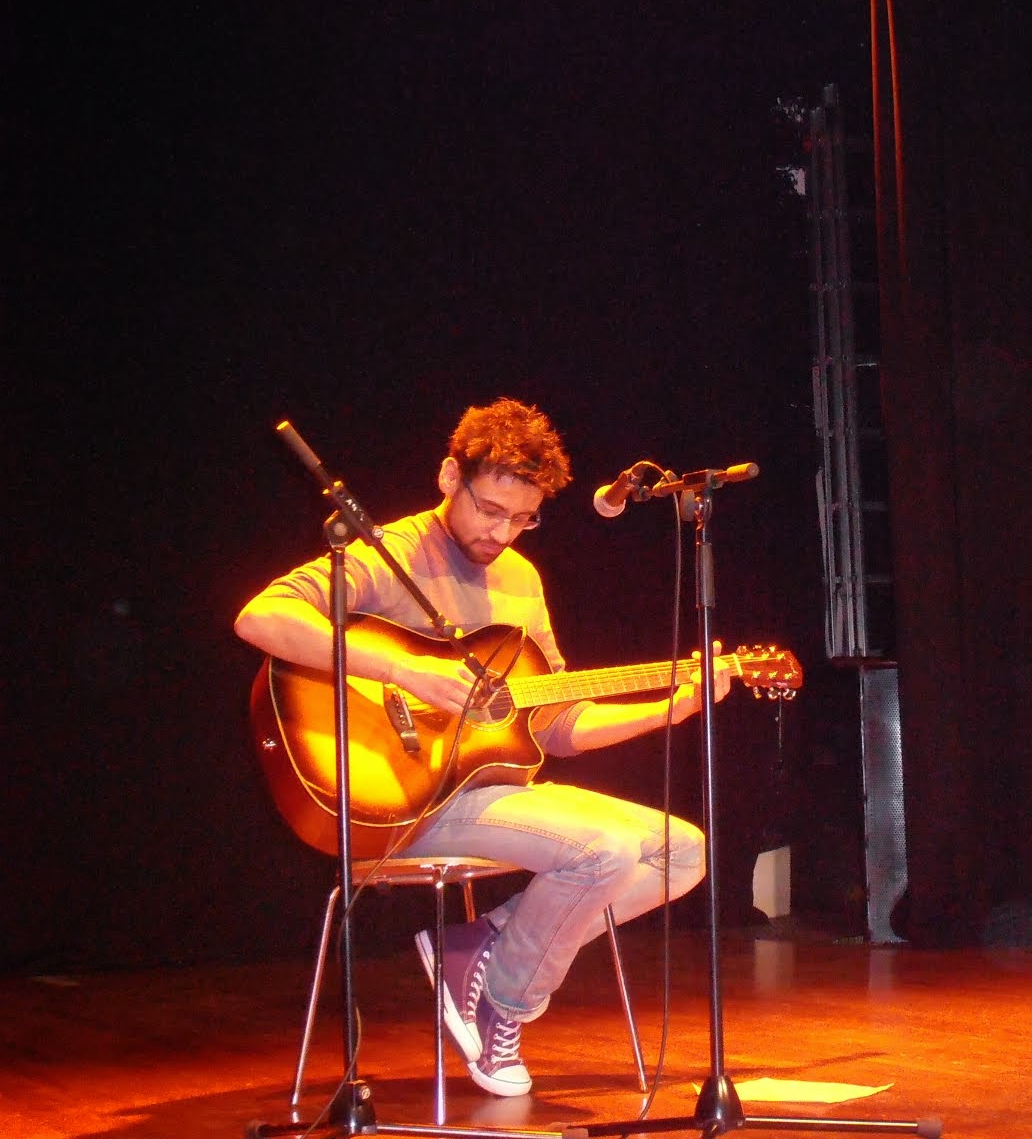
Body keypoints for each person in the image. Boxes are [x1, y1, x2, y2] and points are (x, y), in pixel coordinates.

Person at [235, 397, 728, 1098]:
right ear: (448, 476)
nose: (502, 532)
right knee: (603, 849)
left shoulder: (521, 580)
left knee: (683, 850)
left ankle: (484, 953)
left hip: (491, 793)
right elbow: (261, 617)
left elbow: (557, 726)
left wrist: (667, 710)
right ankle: (507, 1005)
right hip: (400, 797)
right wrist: (404, 669)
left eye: (522, 519)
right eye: (490, 510)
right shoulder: (391, 555)